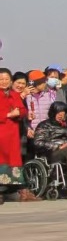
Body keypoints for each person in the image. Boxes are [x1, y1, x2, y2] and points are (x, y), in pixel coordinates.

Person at [0, 68, 29, 199]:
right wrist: (8, 115)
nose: (4, 81)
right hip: (1, 132)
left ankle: (15, 190)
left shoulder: (14, 94)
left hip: (12, 133)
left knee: (13, 161)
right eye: (1, 79)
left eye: (6, 79)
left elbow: (23, 110)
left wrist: (19, 113)